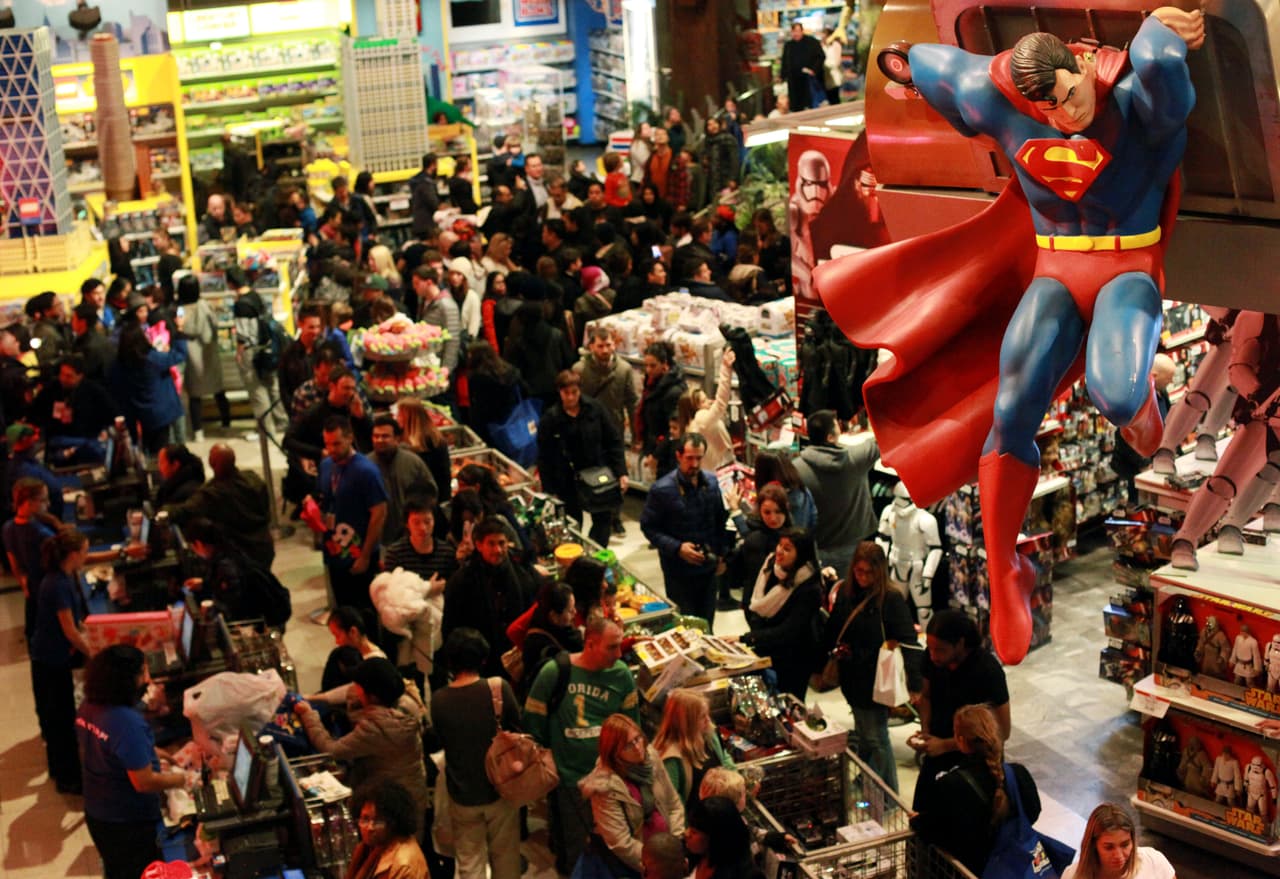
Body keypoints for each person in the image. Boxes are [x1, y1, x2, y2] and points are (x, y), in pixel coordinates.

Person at [816, 8, 1204, 665]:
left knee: (1115, 390)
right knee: (1010, 405)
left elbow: (1168, 71)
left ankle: (1143, 411)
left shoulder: (1138, 104)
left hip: (1126, 266)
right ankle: (1004, 571)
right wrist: (906, 65)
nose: (1064, 114)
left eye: (1071, 95)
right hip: (1054, 268)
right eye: (1046, 106)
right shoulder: (1000, 103)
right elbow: (925, 66)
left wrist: (1158, 36)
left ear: (1083, 66)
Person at [524, 616, 640, 876]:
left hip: (611, 781)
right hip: (569, 782)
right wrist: (549, 761)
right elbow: (533, 721)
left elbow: (632, 727)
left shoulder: (621, 675)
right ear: (590, 644)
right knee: (576, 851)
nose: (618, 653)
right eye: (611, 647)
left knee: (613, 848)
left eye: (619, 645)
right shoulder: (555, 672)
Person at [78, 646, 189, 879]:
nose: (147, 679)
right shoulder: (128, 723)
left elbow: (112, 748)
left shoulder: (89, 706)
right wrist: (185, 779)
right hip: (127, 822)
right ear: (126, 681)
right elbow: (144, 782)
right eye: (142, 673)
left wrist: (155, 752)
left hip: (98, 811)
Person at [825, 540, 919, 791]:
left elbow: (909, 641)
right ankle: (870, 783)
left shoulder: (890, 598)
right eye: (859, 571)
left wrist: (916, 684)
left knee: (876, 738)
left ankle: (887, 794)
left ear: (880, 571)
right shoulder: (847, 592)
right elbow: (833, 629)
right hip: (851, 677)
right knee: (866, 736)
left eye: (869, 572)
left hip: (877, 680)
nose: (863, 577)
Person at [432, 628, 522, 879]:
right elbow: (518, 728)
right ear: (483, 659)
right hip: (499, 789)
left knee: (469, 861)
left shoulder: (439, 700)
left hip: (462, 794)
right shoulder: (498, 689)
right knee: (506, 858)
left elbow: (442, 739)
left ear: (450, 661)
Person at [910, 704, 1042, 877]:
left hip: (968, 871)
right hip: (1014, 867)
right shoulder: (1018, 773)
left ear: (961, 742)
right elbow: (1033, 811)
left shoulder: (950, 785)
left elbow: (936, 831)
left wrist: (918, 821)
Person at [910, 609, 1011, 809]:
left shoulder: (987, 671)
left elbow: (1002, 732)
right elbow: (927, 697)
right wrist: (926, 734)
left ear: (961, 644)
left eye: (940, 650)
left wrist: (945, 745)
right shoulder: (931, 660)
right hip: (938, 755)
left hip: (975, 763)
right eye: (930, 648)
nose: (933, 655)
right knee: (923, 813)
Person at [297, 658, 430, 810]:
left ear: (372, 696)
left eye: (359, 686)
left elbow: (332, 750)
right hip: (410, 790)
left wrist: (309, 715)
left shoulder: (377, 728)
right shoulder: (406, 703)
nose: (355, 688)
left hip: (394, 803)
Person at [640, 433, 731, 630]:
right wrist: (678, 548)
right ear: (679, 456)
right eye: (690, 458)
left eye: (699, 458)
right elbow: (649, 527)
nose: (695, 463)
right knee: (685, 626)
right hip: (678, 571)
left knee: (706, 625)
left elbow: (720, 521)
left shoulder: (712, 484)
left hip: (708, 569)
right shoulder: (662, 490)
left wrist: (722, 555)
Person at [579, 714, 687, 878]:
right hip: (639, 862)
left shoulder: (651, 758)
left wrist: (674, 844)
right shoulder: (604, 786)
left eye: (638, 739)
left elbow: (673, 803)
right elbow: (620, 842)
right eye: (628, 745)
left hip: (666, 847)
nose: (637, 748)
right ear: (614, 752)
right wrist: (656, 863)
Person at [30, 526, 92, 794]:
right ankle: (69, 779)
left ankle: (60, 770)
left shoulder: (62, 578)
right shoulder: (58, 585)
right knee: (62, 720)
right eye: (85, 552)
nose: (86, 557)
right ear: (73, 554)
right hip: (51, 660)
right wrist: (93, 652)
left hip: (49, 657)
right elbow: (69, 630)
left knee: (57, 717)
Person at [538, 369, 628, 548]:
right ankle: (578, 557)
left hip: (597, 474)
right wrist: (549, 489)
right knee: (572, 524)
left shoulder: (595, 408)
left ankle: (594, 554)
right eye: (566, 393)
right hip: (566, 480)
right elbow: (544, 456)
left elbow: (613, 441)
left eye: (574, 392)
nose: (571, 397)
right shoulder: (551, 418)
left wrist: (621, 472)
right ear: (559, 392)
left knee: (603, 520)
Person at [441, 518, 537, 677]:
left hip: (518, 658)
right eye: (491, 544)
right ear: (479, 545)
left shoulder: (523, 573)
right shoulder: (462, 581)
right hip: (480, 663)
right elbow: (450, 627)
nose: (498, 549)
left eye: (502, 543)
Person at [312, 415, 389, 612]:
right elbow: (325, 500)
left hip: (358, 554)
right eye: (328, 444)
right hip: (334, 550)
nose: (331, 450)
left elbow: (379, 513)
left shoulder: (367, 471)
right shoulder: (326, 465)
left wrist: (364, 556)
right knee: (343, 607)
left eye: (336, 444)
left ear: (350, 438)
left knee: (364, 610)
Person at [739, 528, 823, 701]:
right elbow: (756, 605)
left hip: (795, 657)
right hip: (769, 649)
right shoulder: (771, 566)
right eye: (780, 545)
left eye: (787, 548)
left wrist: (746, 638)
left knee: (790, 702)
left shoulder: (809, 586)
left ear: (801, 554)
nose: (779, 551)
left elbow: (790, 630)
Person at [794, 408, 879, 574]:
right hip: (855, 547)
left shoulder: (797, 468)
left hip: (818, 548)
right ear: (830, 437)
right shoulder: (856, 458)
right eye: (837, 426)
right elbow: (880, 441)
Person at [165, 443, 275, 565]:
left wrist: (162, 512)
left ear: (212, 464)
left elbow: (184, 511)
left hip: (242, 554)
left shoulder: (214, 494)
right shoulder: (252, 478)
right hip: (265, 544)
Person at [109, 316, 188, 453]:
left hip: (138, 416)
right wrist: (180, 330)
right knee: (164, 450)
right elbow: (179, 355)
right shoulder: (153, 359)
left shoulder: (119, 365)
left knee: (148, 449)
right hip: (162, 413)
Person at [652, 689, 735, 806]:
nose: (708, 720)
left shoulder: (710, 733)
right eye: (702, 717)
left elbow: (724, 757)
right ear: (686, 722)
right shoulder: (671, 759)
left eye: (708, 714)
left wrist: (736, 783)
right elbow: (672, 803)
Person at [231, 279, 288, 440]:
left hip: (252, 350)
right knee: (272, 386)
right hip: (268, 349)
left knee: (257, 390)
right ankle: (282, 421)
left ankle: (266, 429)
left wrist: (240, 353)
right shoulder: (255, 296)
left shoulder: (241, 305)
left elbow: (243, 334)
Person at [176, 274, 229, 441]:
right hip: (209, 353)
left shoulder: (181, 309)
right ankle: (226, 423)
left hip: (192, 355)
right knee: (218, 391)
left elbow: (179, 326)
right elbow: (214, 325)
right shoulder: (205, 305)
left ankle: (198, 431)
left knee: (195, 395)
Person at [33, 354, 115, 461]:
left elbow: (111, 413)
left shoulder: (94, 391)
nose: (63, 379)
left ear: (80, 376)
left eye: (69, 376)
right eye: (62, 374)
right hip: (57, 440)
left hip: (86, 441)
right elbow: (36, 412)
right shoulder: (51, 390)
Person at [370, 415, 435, 546]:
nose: (379, 440)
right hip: (378, 538)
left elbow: (431, 493)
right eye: (376, 436)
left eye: (385, 436)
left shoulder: (413, 462)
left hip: (412, 536)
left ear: (397, 439)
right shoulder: (366, 466)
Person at [1063, 803, 1175, 879]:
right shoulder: (1073, 875)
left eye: (1125, 845)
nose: (1118, 855)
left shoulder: (1153, 861)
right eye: (1109, 847)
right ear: (1093, 846)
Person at [4, 478, 56, 638]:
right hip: (51, 594)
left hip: (32, 591)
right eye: (43, 499)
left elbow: (14, 565)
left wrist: (24, 585)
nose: (48, 504)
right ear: (28, 502)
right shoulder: (42, 535)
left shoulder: (8, 528)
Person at [346, 780, 430, 879]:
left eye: (378, 821)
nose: (370, 828)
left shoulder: (404, 865)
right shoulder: (370, 847)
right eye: (365, 819)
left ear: (392, 823)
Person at [503, 300, 574, 413]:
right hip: (557, 388)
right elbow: (568, 361)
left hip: (531, 393)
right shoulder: (556, 335)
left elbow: (514, 370)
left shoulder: (519, 342)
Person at [516, 581, 584, 695]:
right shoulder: (539, 646)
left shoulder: (563, 630)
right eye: (570, 610)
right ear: (553, 616)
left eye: (574, 607)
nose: (575, 612)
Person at [675, 349, 736, 470]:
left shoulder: (691, 426)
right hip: (721, 473)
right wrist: (725, 369)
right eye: (703, 401)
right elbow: (720, 403)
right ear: (694, 408)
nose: (709, 402)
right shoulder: (701, 419)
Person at [464, 340, 527, 447]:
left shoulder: (478, 378)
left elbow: (478, 409)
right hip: (512, 419)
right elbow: (525, 390)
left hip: (491, 427)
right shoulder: (511, 371)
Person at [684, 795, 765, 879]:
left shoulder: (748, 876)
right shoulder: (695, 856)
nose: (686, 834)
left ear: (715, 839)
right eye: (689, 827)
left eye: (694, 832)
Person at [394, 396, 452, 504]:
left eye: (399, 415)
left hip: (427, 501)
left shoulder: (432, 443)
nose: (396, 418)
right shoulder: (435, 440)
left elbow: (443, 477)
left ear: (409, 417)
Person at [636, 341, 686, 460]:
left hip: (667, 453)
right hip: (653, 446)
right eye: (646, 365)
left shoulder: (673, 392)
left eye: (653, 366)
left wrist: (655, 455)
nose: (648, 370)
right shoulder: (651, 383)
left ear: (665, 364)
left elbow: (674, 429)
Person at [278, 303, 327, 419]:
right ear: (300, 324)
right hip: (299, 412)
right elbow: (284, 388)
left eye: (318, 327)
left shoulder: (325, 351)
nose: (315, 331)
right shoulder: (288, 354)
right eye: (311, 327)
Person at [780, 22, 826, 110]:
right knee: (796, 106)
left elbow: (820, 57)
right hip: (794, 82)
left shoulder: (812, 42)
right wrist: (782, 76)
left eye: (798, 31)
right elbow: (785, 62)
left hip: (808, 80)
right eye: (794, 31)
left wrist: (813, 70)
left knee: (810, 103)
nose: (796, 33)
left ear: (802, 31)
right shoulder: (789, 46)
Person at [70, 303, 115, 382]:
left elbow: (88, 376)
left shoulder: (89, 346)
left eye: (73, 319)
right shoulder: (100, 338)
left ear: (82, 322)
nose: (71, 322)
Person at [154, 443, 205, 508]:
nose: (159, 467)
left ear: (175, 464)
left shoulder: (185, 494)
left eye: (162, 462)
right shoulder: (177, 482)